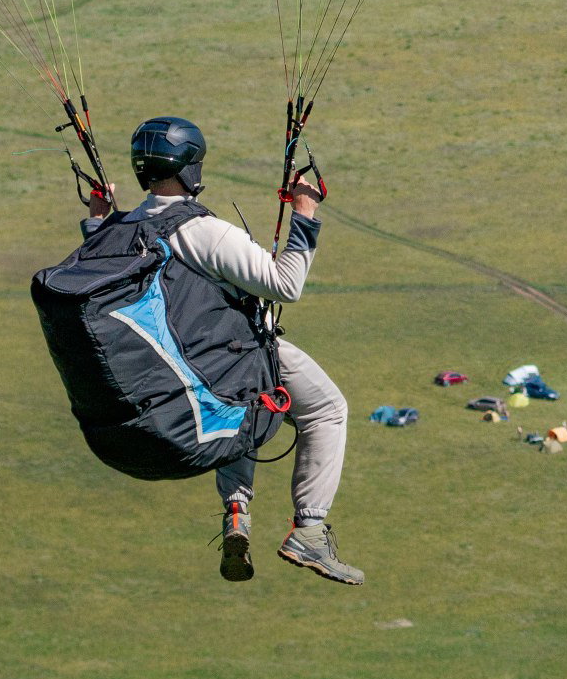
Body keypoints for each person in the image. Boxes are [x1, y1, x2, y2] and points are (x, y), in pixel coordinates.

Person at [84, 116, 362, 586]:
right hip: (229, 355)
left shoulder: (115, 232)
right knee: (327, 410)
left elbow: (99, 266)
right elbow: (284, 284)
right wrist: (305, 215)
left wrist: (99, 217)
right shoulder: (205, 232)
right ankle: (309, 530)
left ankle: (237, 510)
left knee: (238, 404)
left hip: (187, 368)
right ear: (191, 168)